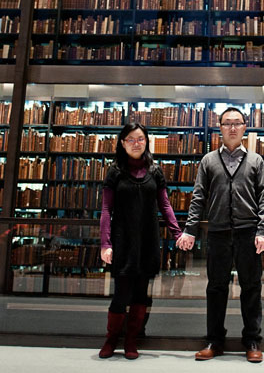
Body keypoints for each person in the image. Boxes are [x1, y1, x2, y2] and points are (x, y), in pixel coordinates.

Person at [176, 107, 264, 363]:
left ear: (244, 128)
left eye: (237, 123)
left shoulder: (256, 161)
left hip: (248, 233)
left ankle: (252, 341)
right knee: (216, 288)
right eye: (227, 123)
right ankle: (214, 340)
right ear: (220, 127)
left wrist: (263, 230)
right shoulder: (208, 161)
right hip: (218, 233)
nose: (232, 127)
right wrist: (190, 229)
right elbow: (198, 198)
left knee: (251, 288)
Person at [98, 122, 182, 359]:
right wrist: (105, 244)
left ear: (147, 142)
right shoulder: (115, 171)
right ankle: (112, 338)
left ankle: (132, 340)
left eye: (140, 139)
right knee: (121, 294)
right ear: (122, 143)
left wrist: (177, 233)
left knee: (141, 294)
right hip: (122, 240)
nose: (136, 144)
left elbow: (165, 205)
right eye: (131, 139)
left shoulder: (155, 171)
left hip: (147, 240)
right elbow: (106, 210)